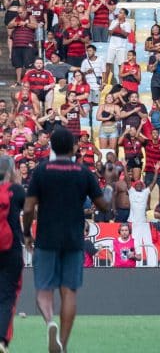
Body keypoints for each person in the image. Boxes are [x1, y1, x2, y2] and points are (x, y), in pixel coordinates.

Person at [22, 126, 119, 353]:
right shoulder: (82, 172)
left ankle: (49, 321)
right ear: (74, 147)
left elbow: (28, 208)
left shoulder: (42, 171)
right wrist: (110, 184)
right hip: (74, 239)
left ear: (52, 146)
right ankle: (63, 345)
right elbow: (104, 206)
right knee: (69, 292)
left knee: (44, 292)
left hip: (46, 238)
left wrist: (27, 233)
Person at [0, 155, 26, 353]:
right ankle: (1, 340)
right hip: (11, 249)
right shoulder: (16, 191)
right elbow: (30, 207)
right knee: (7, 296)